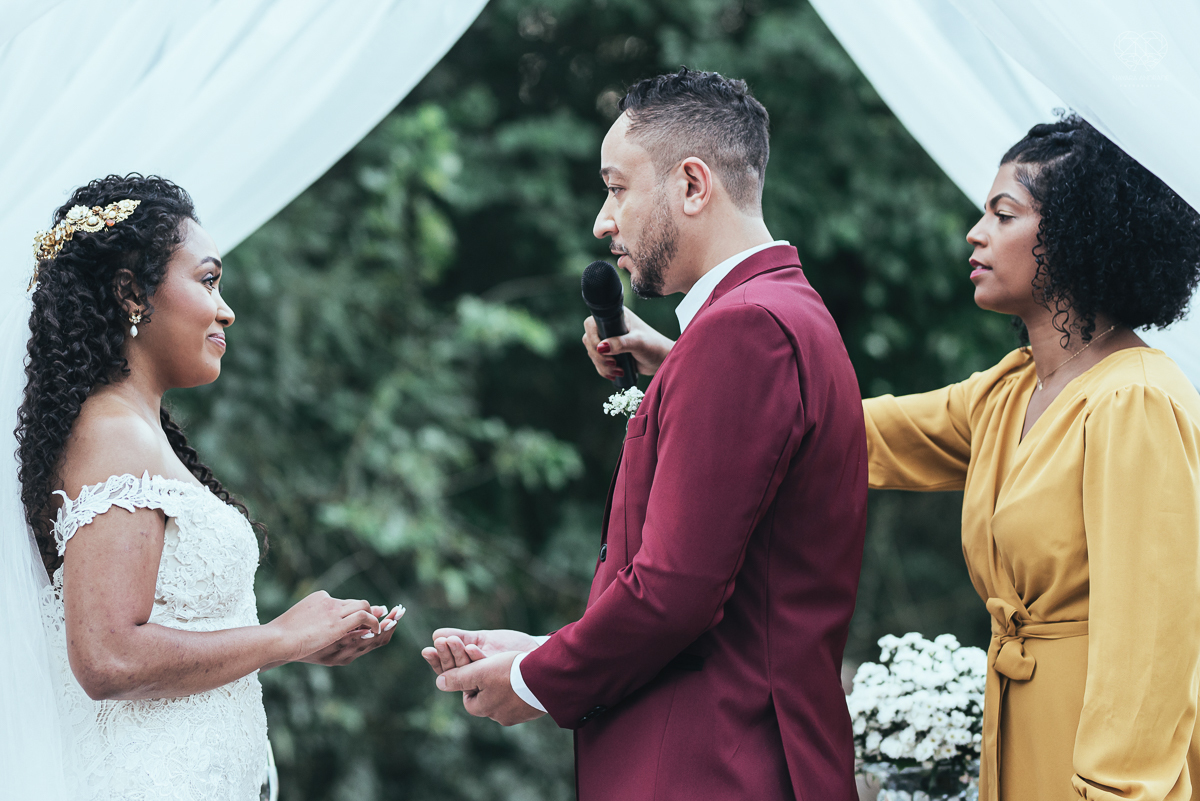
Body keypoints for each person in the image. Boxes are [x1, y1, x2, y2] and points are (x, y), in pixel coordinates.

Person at [579, 115, 1200, 801]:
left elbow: (1154, 647)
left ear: (1082, 232)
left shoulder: (1137, 399)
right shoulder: (1008, 391)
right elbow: (829, 427)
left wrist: (1117, 790)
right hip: (1016, 743)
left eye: (1003, 213)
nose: (975, 231)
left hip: (1103, 766)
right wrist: (689, 365)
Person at [423, 68, 868, 800]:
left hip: (714, 767)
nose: (603, 220)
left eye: (618, 187)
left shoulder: (744, 331)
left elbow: (674, 594)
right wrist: (541, 646)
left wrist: (533, 681)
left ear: (693, 186)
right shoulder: (791, 313)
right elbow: (737, 596)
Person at [8, 174, 402, 800]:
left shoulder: (139, 431)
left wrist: (299, 645)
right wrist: (284, 637)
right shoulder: (114, 435)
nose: (227, 309)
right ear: (130, 292)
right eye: (209, 280)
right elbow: (107, 657)